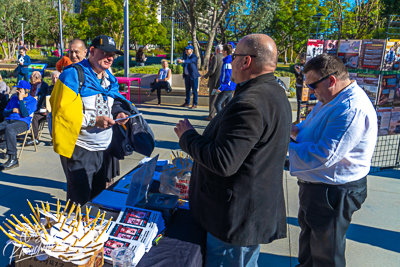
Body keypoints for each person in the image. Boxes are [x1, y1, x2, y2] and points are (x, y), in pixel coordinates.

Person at [174, 34, 292, 266]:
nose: (230, 62)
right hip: (249, 211)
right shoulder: (274, 91)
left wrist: (187, 137)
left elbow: (223, 162)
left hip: (235, 217)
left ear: (245, 61)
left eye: (234, 56)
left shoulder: (250, 103)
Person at [289, 54, 378, 267]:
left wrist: (284, 146)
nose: (311, 91)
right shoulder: (332, 96)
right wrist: (291, 130)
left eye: (312, 86)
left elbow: (324, 155)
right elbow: (309, 129)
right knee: (310, 245)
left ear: (331, 80)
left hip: (334, 191)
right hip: (320, 187)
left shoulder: (350, 108)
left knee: (326, 254)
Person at [50, 34, 130, 205]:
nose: (109, 58)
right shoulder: (72, 75)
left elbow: (112, 101)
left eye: (112, 54)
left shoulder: (109, 78)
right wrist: (94, 121)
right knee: (79, 202)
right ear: (92, 52)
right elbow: (62, 112)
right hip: (80, 149)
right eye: (104, 53)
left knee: (98, 200)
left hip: (104, 148)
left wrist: (118, 114)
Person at [0, 80, 37, 170]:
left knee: (9, 129)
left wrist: (21, 100)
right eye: (17, 89)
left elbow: (24, 114)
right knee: (7, 127)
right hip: (9, 120)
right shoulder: (13, 98)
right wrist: (12, 110)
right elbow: (4, 113)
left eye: (19, 89)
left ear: (26, 91)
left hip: (22, 122)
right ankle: (4, 144)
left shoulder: (32, 101)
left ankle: (13, 158)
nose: (17, 91)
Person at [25, 71, 49, 146]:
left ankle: (35, 138)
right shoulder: (32, 85)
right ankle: (28, 131)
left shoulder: (44, 86)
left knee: (35, 116)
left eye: (31, 77)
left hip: (42, 109)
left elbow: (46, 99)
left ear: (36, 78)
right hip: (32, 106)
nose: (29, 78)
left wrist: (44, 108)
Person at [202, 44, 223, 121]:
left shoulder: (216, 57)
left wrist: (205, 75)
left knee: (213, 99)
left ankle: (211, 115)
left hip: (215, 83)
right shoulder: (226, 57)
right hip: (223, 84)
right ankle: (221, 115)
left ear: (217, 50)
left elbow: (212, 70)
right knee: (221, 99)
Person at [214, 44, 236, 113]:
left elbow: (227, 77)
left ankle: (220, 120)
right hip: (231, 86)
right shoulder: (231, 60)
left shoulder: (227, 62)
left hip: (227, 87)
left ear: (225, 52)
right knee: (228, 106)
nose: (222, 52)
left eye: (223, 50)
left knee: (217, 104)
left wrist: (221, 88)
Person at [294, 54, 305, 122]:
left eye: (302, 60)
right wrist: (296, 71)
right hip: (298, 85)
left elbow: (303, 78)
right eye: (300, 60)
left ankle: (300, 119)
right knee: (298, 103)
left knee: (302, 104)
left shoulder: (307, 67)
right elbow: (297, 77)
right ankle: (298, 119)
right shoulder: (301, 66)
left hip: (303, 87)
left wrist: (300, 72)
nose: (301, 62)